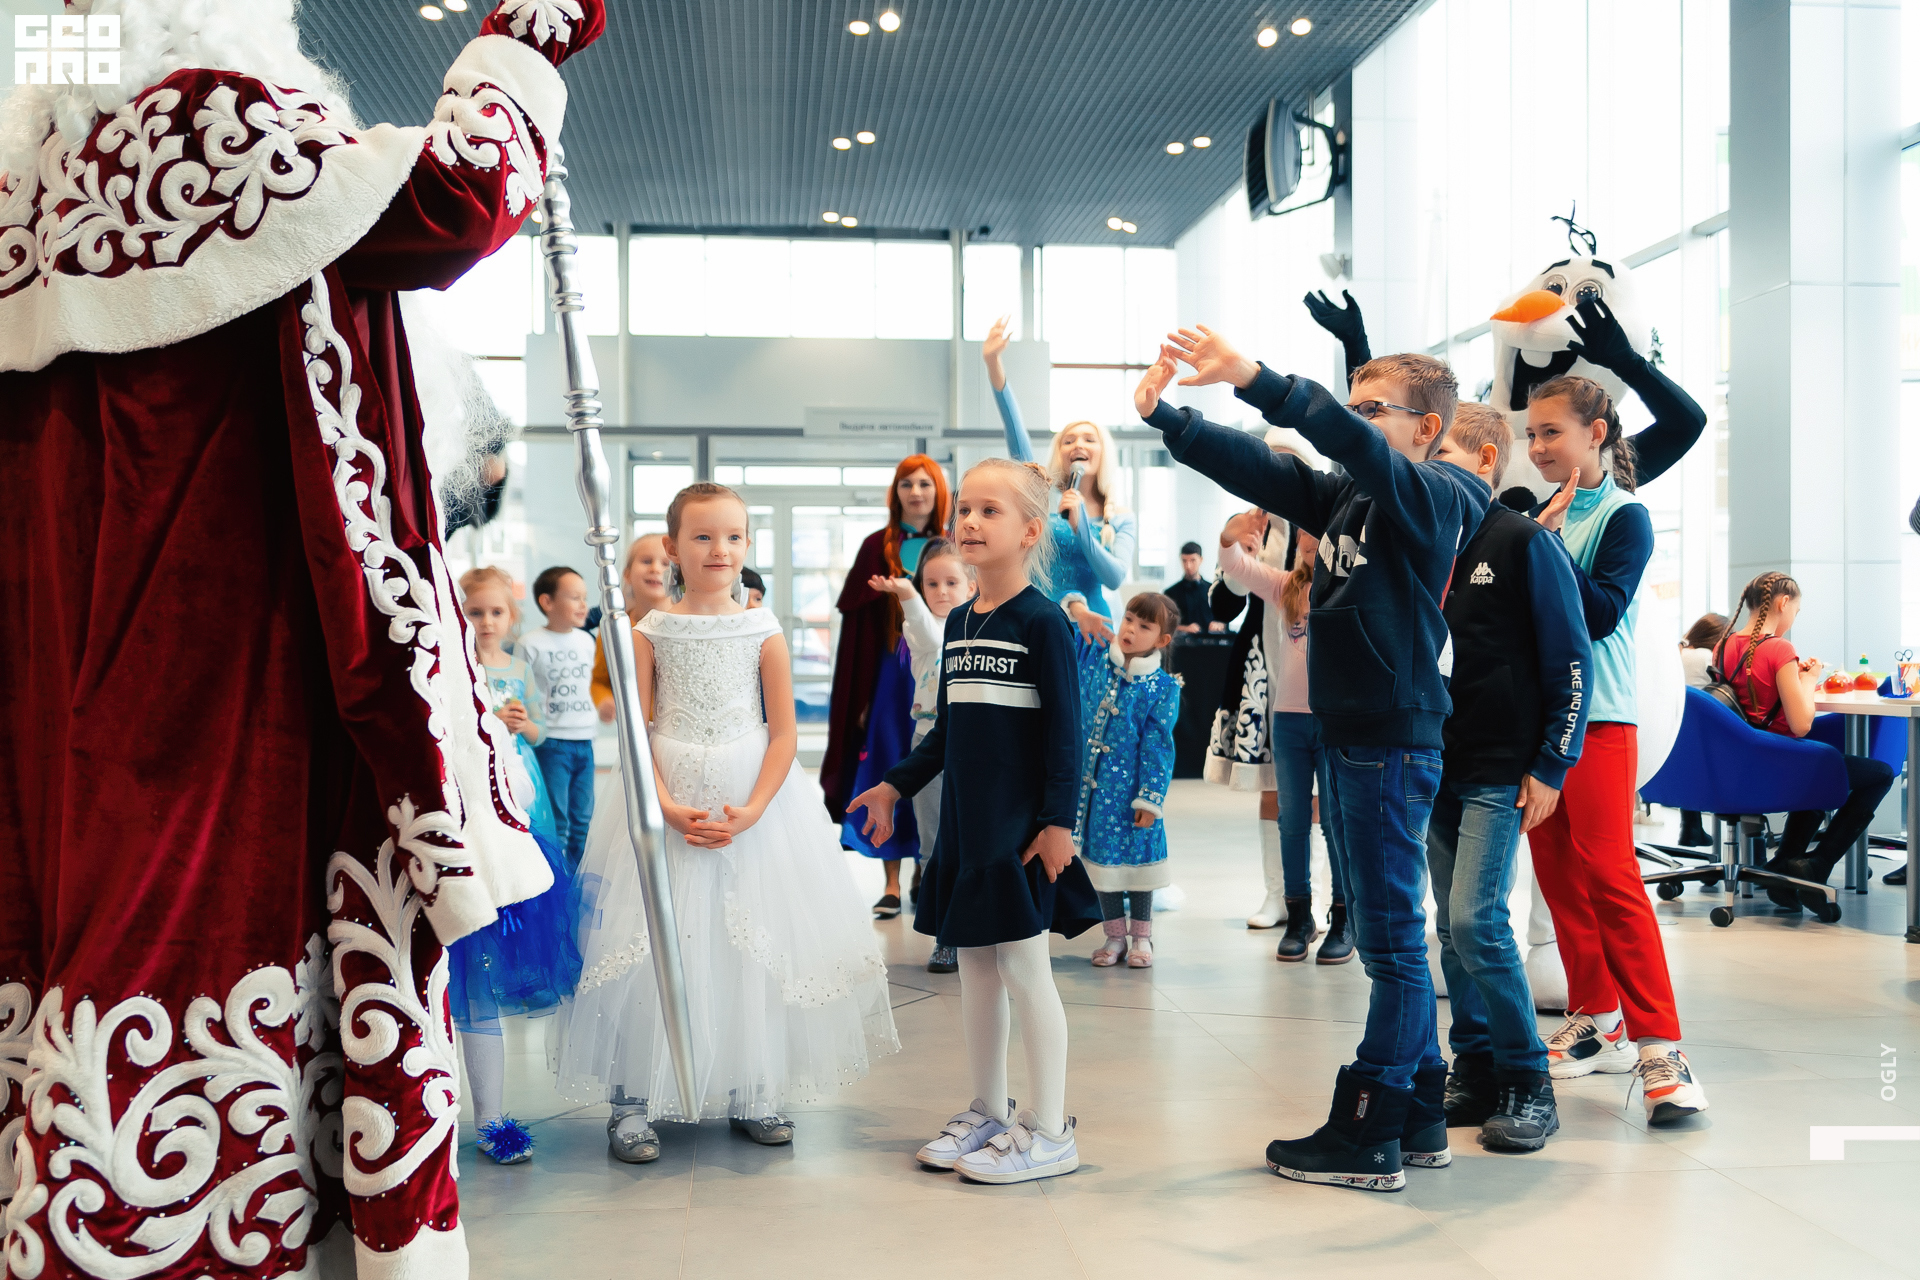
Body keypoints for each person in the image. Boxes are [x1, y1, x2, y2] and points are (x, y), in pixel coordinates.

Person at [0, 0, 603, 1269]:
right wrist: (525, 40)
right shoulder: (201, 109)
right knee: (180, 977)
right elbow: (456, 198)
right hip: (230, 683)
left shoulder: (27, 171)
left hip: (58, 680)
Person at [1136, 330, 1488, 1191]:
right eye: (1352, 405)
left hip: (1389, 734)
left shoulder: (1441, 493)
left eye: (1373, 411)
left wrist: (1257, 379)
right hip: (1354, 730)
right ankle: (1419, 1116)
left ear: (1426, 430)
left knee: (1391, 941)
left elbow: (1347, 445)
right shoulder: (1349, 498)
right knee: (1386, 930)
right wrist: (1171, 419)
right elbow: (1268, 472)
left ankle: (1369, 1130)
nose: (1355, 423)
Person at [556, 483, 898, 1161]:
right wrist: (660, 804)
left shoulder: (763, 628)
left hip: (750, 801)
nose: (720, 549)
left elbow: (783, 733)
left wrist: (756, 808)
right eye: (703, 537)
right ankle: (632, 1098)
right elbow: (636, 730)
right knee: (650, 940)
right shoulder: (648, 633)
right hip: (666, 800)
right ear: (673, 546)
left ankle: (752, 1084)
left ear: (747, 543)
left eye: (734, 536)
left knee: (747, 940)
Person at [848, 457, 1100, 1186]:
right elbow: (948, 731)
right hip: (967, 828)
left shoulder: (1043, 623)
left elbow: (1066, 734)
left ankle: (1049, 1131)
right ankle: (990, 1110)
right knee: (978, 971)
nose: (970, 521)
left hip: (1019, 833)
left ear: (1030, 531)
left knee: (1024, 969)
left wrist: (1057, 823)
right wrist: (894, 786)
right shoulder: (959, 621)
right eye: (966, 509)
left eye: (991, 511)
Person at [1523, 374, 1708, 1124]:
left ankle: (1661, 1045)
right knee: (1559, 878)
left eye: (1551, 432)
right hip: (1538, 726)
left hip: (1600, 719)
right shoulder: (1538, 517)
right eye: (1531, 434)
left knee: (1611, 876)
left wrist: (1544, 544)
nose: (1537, 447)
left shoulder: (1625, 517)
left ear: (1595, 434)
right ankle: (1597, 1019)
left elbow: (1599, 613)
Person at [1425, 405, 1592, 1154]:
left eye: (1446, 456)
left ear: (1486, 461)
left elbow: (1571, 657)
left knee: (1477, 923)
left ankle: (1528, 1079)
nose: (1431, 470)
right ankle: (1476, 1065)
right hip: (1434, 764)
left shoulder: (1524, 541)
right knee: (1448, 930)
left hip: (1500, 768)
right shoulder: (1428, 541)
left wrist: (1553, 762)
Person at [454, 567, 585, 1165]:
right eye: (474, 611)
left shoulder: (516, 668)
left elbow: (538, 728)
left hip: (510, 804)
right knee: (459, 977)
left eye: (495, 612)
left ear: (512, 617)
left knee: (482, 974)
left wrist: (518, 726)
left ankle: (491, 1115)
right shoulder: (453, 668)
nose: (485, 622)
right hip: (462, 816)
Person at [1712, 573, 1897, 909]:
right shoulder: (1779, 648)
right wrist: (1810, 679)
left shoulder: (1722, 646)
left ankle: (1785, 866)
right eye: (1796, 611)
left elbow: (1756, 700)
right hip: (1781, 764)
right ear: (1784, 603)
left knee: (1819, 768)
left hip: (1743, 765)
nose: (1794, 618)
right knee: (1880, 774)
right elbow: (1800, 725)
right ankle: (1819, 864)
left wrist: (1793, 678)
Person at [1216, 513, 1353, 963]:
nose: (1311, 542)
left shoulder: (1351, 586)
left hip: (1334, 722)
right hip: (1289, 722)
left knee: (1334, 820)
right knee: (1291, 819)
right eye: (1306, 536)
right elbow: (1236, 567)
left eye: (1321, 535)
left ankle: (1343, 915)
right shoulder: (1284, 586)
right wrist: (1228, 538)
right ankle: (1298, 915)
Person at [820, 455, 952, 913]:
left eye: (924, 484)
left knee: (934, 773)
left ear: (938, 491)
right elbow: (858, 626)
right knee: (888, 765)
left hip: (944, 672)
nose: (915, 493)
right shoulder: (876, 545)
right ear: (895, 493)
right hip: (890, 679)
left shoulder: (955, 543)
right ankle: (892, 882)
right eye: (906, 484)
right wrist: (859, 695)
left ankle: (925, 870)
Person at [983, 316, 1139, 622]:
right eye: (1068, 441)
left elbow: (1114, 578)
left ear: (1103, 453)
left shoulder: (1122, 517)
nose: (1078, 445)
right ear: (1059, 454)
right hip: (1042, 619)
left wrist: (1082, 527)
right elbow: (1015, 431)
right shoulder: (1041, 496)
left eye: (1088, 439)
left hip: (1094, 626)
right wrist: (993, 364)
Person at [868, 538, 976, 974]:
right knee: (934, 845)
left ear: (972, 585)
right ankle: (945, 937)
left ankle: (978, 931)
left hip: (976, 749)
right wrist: (908, 596)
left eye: (952, 582)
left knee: (976, 844)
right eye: (932, 583)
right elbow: (928, 631)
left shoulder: (982, 629)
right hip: (930, 746)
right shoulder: (925, 633)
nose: (942, 591)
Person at [1073, 593, 1183, 969]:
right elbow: (1064, 630)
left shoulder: (1162, 687)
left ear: (1162, 640)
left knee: (1138, 869)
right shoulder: (1095, 661)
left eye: (1144, 626)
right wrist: (1078, 609)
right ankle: (1114, 937)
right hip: (1096, 795)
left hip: (1132, 797)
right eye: (1129, 619)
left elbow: (1158, 747)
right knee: (1103, 868)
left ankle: (1142, 937)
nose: (1131, 630)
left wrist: (1149, 799)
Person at [522, 566, 600, 867]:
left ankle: (578, 877)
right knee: (558, 820)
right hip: (552, 743)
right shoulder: (530, 644)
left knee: (582, 820)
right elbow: (520, 690)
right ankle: (555, 877)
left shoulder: (587, 641)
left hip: (585, 741)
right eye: (574, 597)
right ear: (547, 602)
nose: (583, 605)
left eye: (585, 597)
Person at [592, 532, 674, 722]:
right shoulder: (612, 630)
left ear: (678, 576)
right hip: (635, 731)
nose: (655, 568)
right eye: (646, 561)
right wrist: (604, 701)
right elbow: (599, 681)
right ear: (627, 574)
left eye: (665, 564)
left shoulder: (688, 625)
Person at [1674, 612, 1728, 847]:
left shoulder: (1678, 653)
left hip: (1675, 741)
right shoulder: (1708, 657)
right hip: (1704, 742)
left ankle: (1690, 827)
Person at [1166, 542, 1214, 632]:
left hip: (1210, 640)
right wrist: (1184, 628)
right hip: (1182, 640)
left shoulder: (1214, 590)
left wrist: (1220, 624)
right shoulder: (1170, 593)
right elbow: (1164, 625)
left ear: (1201, 560)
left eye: (1193, 560)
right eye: (1184, 561)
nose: (1188, 566)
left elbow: (1225, 618)